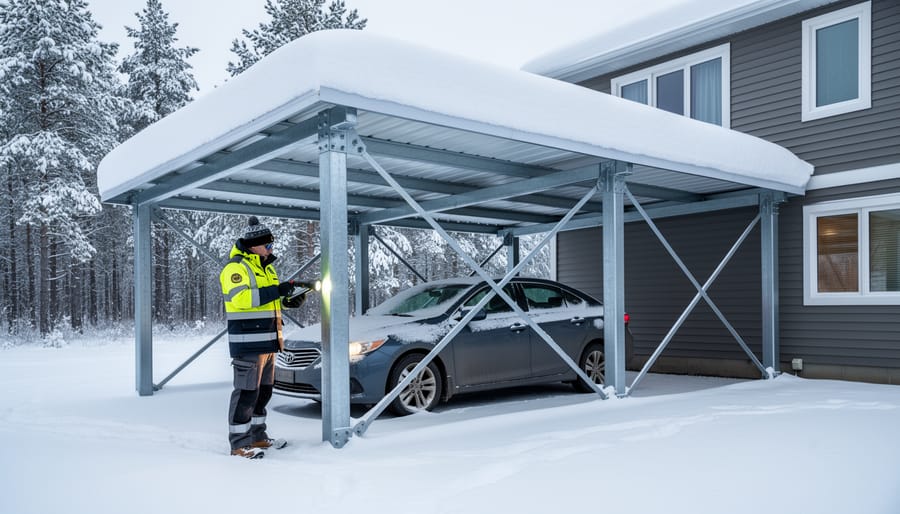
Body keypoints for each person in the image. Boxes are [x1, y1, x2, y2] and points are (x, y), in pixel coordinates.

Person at [219, 216, 306, 459]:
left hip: (269, 342)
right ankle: (239, 443)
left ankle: (258, 435)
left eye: (271, 245)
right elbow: (243, 300)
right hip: (248, 343)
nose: (271, 249)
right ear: (254, 244)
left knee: (263, 392)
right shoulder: (235, 268)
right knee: (246, 393)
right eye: (267, 245)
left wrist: (289, 299)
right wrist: (278, 290)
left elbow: (269, 302)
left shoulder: (266, 268)